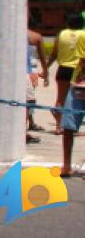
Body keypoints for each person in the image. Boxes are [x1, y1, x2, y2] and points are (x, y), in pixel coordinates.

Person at [49, 13, 84, 134]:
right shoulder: (83, 34)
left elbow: (53, 54)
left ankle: (59, 126)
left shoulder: (61, 34)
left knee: (60, 99)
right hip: (77, 70)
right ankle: (71, 126)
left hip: (63, 69)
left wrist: (46, 68)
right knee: (76, 100)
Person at [59, 15, 85, 177]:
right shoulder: (82, 35)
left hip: (78, 83)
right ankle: (66, 165)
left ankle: (67, 165)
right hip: (77, 84)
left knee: (68, 125)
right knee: (68, 125)